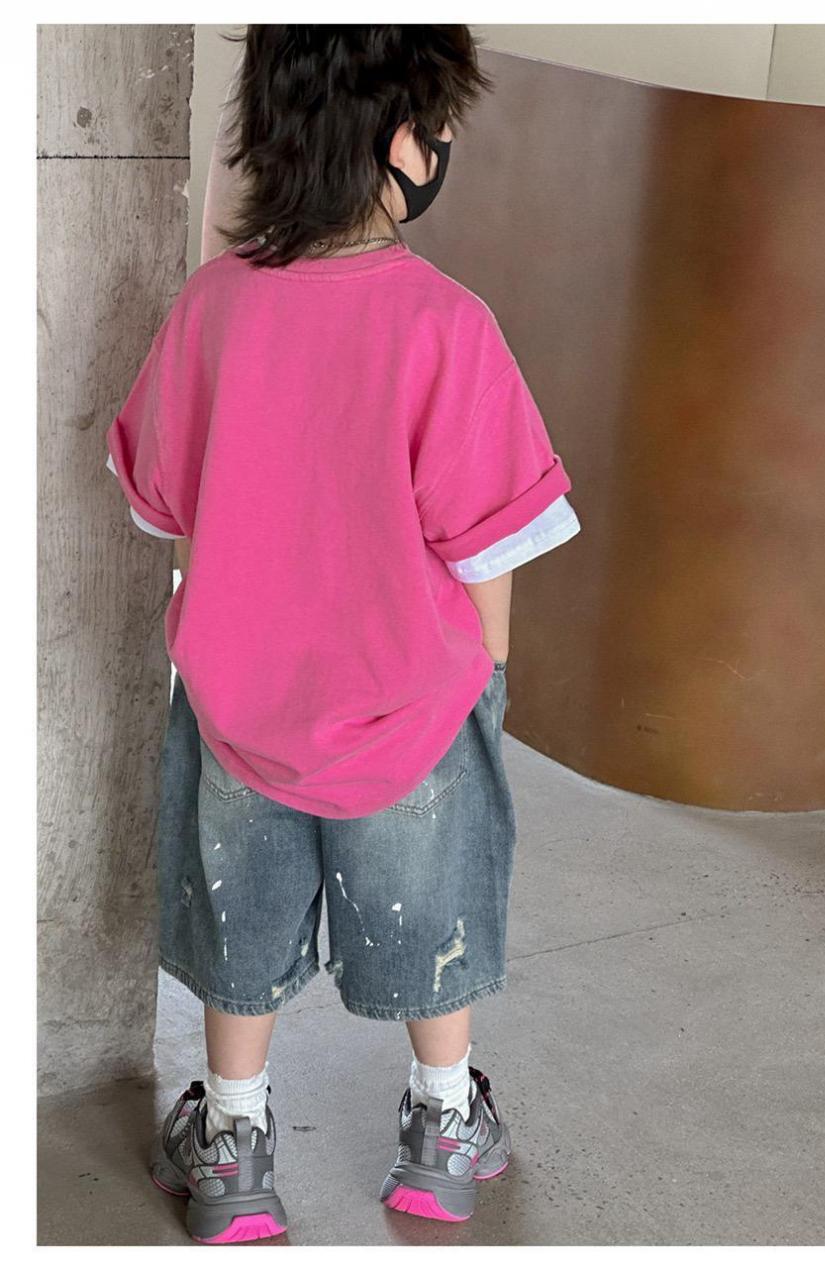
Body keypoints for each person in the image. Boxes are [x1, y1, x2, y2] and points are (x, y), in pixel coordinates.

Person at [105, 24, 580, 1243]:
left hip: (240, 702)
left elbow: (166, 502)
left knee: (241, 922)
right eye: (439, 121)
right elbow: (487, 542)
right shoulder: (446, 324)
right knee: (433, 912)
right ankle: (443, 1128)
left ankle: (233, 1147)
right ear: (400, 142)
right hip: (411, 705)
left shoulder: (214, 306)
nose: (446, 142)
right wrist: (487, 681)